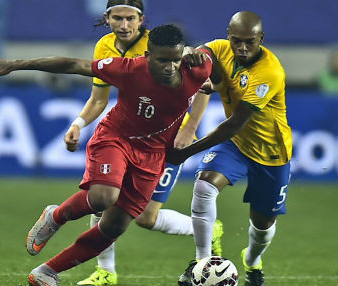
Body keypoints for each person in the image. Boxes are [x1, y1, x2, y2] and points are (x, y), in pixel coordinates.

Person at [0, 24, 213, 286]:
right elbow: (73, 65)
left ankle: (47, 272)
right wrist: (16, 65)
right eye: (162, 60)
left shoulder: (198, 68)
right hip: (116, 139)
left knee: (114, 227)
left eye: (175, 60)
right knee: (103, 197)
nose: (170, 67)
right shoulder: (130, 69)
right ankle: (56, 216)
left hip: (153, 154)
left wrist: (198, 58)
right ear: (147, 56)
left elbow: (218, 62)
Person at [65, 2, 223, 285]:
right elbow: (100, 99)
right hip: (126, 140)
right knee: (102, 198)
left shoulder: (165, 46)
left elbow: (205, 86)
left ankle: (210, 230)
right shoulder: (105, 47)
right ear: (107, 19)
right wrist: (78, 123)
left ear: (141, 20)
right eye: (117, 18)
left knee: (147, 218)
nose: (124, 25)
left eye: (130, 19)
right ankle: (105, 272)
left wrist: (189, 128)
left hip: (163, 143)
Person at [168, 11, 293, 286]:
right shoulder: (220, 48)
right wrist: (190, 52)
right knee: (203, 187)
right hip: (235, 147)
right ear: (228, 35)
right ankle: (202, 263)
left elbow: (233, 124)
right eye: (237, 41)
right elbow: (202, 54)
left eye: (250, 42)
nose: (242, 48)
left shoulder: (269, 72)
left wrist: (186, 152)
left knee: (262, 227)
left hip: (270, 154)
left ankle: (252, 259)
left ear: (262, 38)